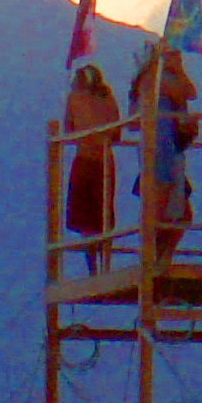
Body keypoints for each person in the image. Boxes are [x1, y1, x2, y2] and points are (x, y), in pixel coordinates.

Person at [128, 46, 200, 264]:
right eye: (174, 55)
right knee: (159, 205)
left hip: (167, 147)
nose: (178, 59)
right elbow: (189, 92)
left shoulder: (149, 79)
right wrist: (178, 70)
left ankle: (161, 255)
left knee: (179, 211)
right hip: (160, 146)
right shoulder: (154, 77)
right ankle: (152, 258)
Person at [61, 66, 122, 274]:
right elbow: (117, 133)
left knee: (85, 219)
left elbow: (68, 130)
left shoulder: (74, 98)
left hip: (85, 160)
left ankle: (93, 270)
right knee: (104, 217)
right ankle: (106, 267)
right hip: (106, 161)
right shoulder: (108, 98)